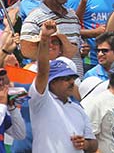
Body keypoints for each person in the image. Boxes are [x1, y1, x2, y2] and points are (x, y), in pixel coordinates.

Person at [29, 20, 98, 152]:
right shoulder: (41, 102)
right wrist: (44, 39)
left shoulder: (78, 109)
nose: (72, 82)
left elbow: (93, 143)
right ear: (52, 82)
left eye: (72, 78)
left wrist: (85, 144)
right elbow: (43, 72)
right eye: (66, 79)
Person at [19, 0, 82, 74]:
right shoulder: (34, 18)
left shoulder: (72, 16)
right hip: (50, 79)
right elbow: (27, 51)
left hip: (76, 78)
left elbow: (76, 49)